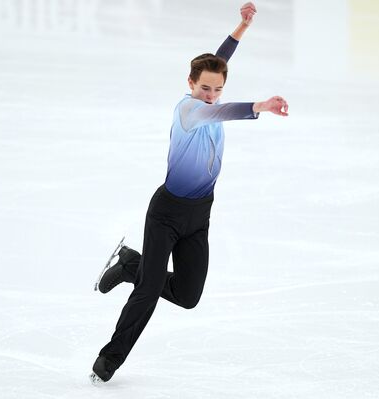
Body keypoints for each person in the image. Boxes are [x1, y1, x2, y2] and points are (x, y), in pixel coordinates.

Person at [90, 2, 289, 384]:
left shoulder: (209, 88)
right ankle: (108, 360)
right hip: (166, 212)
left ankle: (131, 264)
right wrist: (260, 105)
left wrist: (242, 27)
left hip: (199, 216)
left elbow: (219, 58)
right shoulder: (190, 111)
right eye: (205, 88)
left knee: (187, 295)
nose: (212, 94)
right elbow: (220, 112)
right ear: (190, 85)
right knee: (148, 293)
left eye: (217, 89)